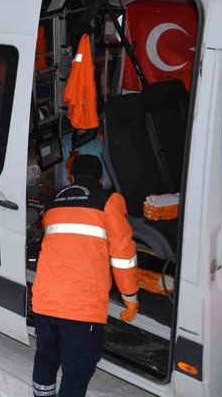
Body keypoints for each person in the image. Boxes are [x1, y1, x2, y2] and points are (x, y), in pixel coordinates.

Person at [31, 155, 139, 397]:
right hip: (81, 306)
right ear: (101, 178)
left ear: (71, 177)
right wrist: (130, 296)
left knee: (46, 358)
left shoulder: (54, 200)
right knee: (77, 369)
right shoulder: (109, 201)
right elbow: (123, 255)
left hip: (46, 300)